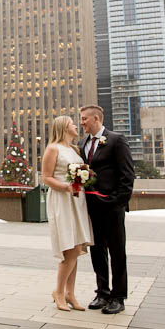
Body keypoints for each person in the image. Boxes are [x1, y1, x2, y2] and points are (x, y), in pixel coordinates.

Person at [78, 105, 135, 315]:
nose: (82, 123)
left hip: (112, 207)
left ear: (96, 118)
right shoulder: (82, 143)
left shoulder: (116, 140)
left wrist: (117, 202)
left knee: (117, 251)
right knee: (97, 250)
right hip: (91, 207)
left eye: (84, 119)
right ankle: (102, 292)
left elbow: (127, 174)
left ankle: (118, 297)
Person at [41, 115, 94, 312]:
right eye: (73, 123)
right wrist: (65, 187)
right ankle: (58, 292)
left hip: (77, 200)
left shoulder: (75, 149)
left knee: (77, 247)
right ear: (64, 127)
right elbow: (46, 177)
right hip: (62, 200)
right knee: (69, 247)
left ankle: (70, 293)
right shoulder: (53, 148)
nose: (76, 125)